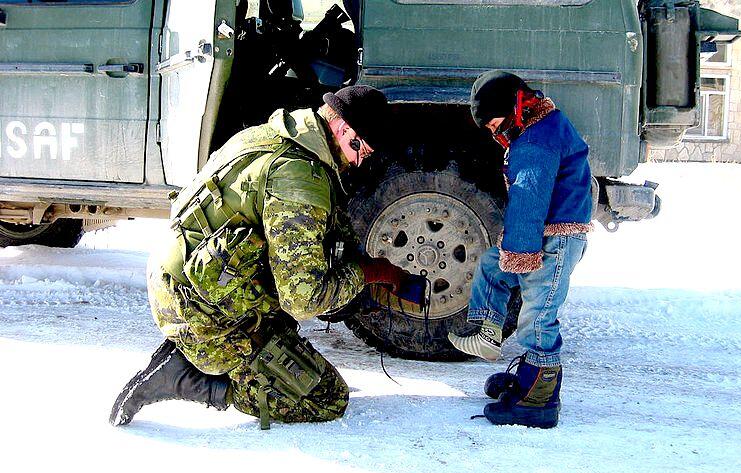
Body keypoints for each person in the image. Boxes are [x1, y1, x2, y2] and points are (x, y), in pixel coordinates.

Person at [110, 86, 412, 429]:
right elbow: (303, 298)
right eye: (362, 150)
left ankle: (240, 355)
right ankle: (185, 377)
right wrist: (368, 274)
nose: (359, 162)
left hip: (199, 281)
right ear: (344, 130)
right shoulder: (299, 180)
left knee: (294, 355)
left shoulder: (275, 136)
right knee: (326, 397)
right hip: (198, 309)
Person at [447, 71, 592, 428]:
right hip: (544, 233)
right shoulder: (540, 128)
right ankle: (488, 333)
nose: (494, 133)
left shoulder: (534, 144)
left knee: (539, 316)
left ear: (513, 108)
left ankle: (538, 401)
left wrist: (521, 253)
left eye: (495, 123)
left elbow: (528, 202)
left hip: (554, 239)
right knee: (492, 266)